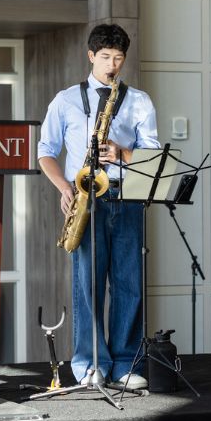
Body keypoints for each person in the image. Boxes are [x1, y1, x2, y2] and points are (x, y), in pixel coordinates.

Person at [38, 23, 159, 390]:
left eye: (118, 58)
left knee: (129, 285)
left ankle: (125, 364)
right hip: (85, 198)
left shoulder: (139, 100)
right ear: (91, 56)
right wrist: (64, 187)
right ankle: (90, 364)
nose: (112, 65)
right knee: (88, 287)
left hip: (127, 197)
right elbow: (45, 152)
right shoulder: (66, 100)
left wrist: (121, 153)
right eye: (105, 57)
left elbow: (153, 156)